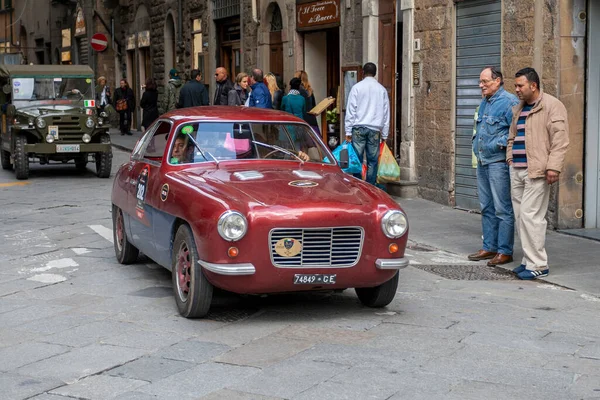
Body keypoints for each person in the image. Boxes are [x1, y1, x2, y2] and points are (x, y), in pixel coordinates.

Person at [507, 67, 569, 280]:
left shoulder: (552, 106)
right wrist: (510, 158)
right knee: (520, 217)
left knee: (531, 216)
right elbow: (512, 136)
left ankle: (539, 264)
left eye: (520, 85)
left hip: (537, 170)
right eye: (515, 85)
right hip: (517, 170)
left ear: (533, 85)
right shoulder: (519, 108)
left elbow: (560, 140)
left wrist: (554, 166)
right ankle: (528, 260)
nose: (516, 89)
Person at [467, 67, 518, 267]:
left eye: (485, 82)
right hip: (483, 161)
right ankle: (489, 246)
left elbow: (515, 132)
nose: (481, 85)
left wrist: (497, 143)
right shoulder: (485, 102)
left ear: (497, 81)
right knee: (486, 207)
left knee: (502, 208)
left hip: (498, 162)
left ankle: (505, 251)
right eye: (480, 82)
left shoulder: (509, 102)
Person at [344, 62, 390, 186]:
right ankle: (370, 186)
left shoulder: (357, 88)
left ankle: (358, 184)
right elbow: (386, 113)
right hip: (374, 129)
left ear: (363, 72)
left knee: (356, 159)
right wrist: (385, 133)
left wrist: (348, 131)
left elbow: (351, 110)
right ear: (375, 73)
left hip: (358, 128)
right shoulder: (381, 90)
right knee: (372, 161)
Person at [294, 70, 319, 134]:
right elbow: (314, 106)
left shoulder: (298, 91)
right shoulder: (309, 90)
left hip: (302, 121)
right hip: (312, 121)